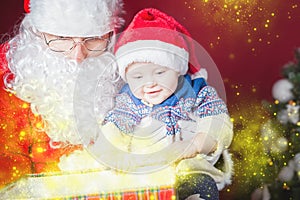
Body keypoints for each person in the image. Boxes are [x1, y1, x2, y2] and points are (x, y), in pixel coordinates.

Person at [102, 8, 234, 200]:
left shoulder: (195, 90)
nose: (150, 83)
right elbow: (114, 127)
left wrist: (199, 142)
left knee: (199, 187)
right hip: (148, 174)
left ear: (177, 69)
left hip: (190, 169)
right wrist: (113, 151)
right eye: (138, 76)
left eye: (160, 73)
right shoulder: (128, 101)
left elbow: (217, 117)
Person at [0, 0, 124, 187]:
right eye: (62, 39)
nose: (78, 56)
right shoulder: (6, 82)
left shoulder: (131, 70)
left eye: (92, 39)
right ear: (36, 33)